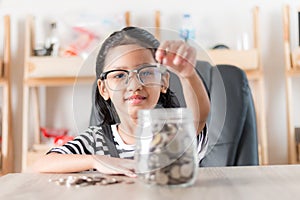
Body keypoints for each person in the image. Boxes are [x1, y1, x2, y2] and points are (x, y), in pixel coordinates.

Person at [32, 27, 210, 177]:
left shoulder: (174, 134)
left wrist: (188, 75)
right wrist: (97, 160)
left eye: (146, 72)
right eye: (119, 75)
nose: (134, 85)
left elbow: (198, 118)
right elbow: (40, 165)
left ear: (163, 81)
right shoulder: (95, 141)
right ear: (104, 89)